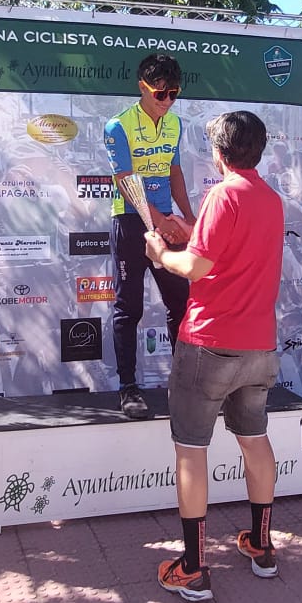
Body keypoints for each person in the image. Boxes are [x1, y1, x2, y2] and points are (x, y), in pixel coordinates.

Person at [143, 112, 286, 602]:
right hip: (259, 345)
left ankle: (193, 566)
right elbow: (229, 253)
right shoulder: (270, 198)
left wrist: (162, 254)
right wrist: (189, 231)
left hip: (209, 342)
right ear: (258, 150)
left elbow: (199, 268)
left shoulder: (224, 194)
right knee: (255, 440)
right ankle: (262, 545)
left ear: (219, 153)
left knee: (191, 450)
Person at [103, 53, 196, 420]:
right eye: (161, 94)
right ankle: (128, 388)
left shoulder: (175, 124)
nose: (168, 101)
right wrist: (157, 221)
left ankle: (185, 383)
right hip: (130, 222)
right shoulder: (118, 126)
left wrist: (188, 218)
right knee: (130, 308)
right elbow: (125, 180)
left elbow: (174, 172)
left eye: (174, 93)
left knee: (181, 304)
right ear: (142, 88)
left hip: (168, 222)